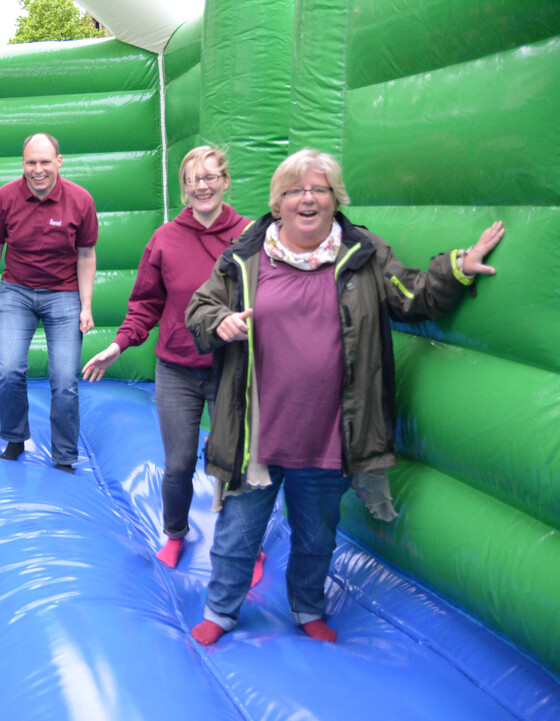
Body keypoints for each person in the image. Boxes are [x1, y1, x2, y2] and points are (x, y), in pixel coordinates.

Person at [184, 149, 504, 646]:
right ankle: (221, 611)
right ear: (278, 201)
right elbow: (201, 306)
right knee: (237, 535)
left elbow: (412, 296)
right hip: (257, 433)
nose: (307, 198)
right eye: (294, 190)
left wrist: (459, 267)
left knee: (317, 535)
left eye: (320, 189)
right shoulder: (246, 256)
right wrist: (218, 321)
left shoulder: (365, 254)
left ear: (336, 199)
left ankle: (307, 606)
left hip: (331, 433)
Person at [82, 146, 252, 568]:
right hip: (177, 368)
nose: (202, 187)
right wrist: (119, 344)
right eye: (193, 180)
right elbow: (145, 303)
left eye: (211, 177)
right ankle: (176, 532)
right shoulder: (166, 239)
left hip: (231, 368)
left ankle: (245, 546)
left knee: (235, 465)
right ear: (184, 189)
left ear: (226, 182)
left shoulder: (251, 237)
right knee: (178, 465)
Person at [0, 133, 98, 473]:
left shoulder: (80, 200)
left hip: (64, 294)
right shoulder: (5, 198)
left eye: (45, 162)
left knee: (65, 380)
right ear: (22, 164)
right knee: (9, 370)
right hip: (17, 292)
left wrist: (85, 306)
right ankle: (15, 438)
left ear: (59, 161)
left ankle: (64, 456)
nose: (38, 170)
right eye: (31, 162)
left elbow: (86, 255)